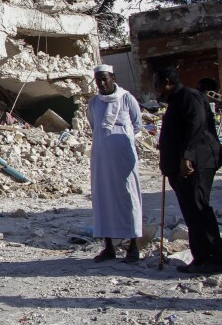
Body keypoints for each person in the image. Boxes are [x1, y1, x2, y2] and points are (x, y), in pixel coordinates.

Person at [155, 66, 222, 274]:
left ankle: (216, 258)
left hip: (198, 162)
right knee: (191, 212)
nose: (154, 87)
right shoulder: (176, 100)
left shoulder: (189, 97)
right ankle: (201, 257)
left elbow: (197, 126)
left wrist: (187, 156)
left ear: (167, 82)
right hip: (184, 165)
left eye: (156, 83)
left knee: (199, 209)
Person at [88, 64, 143, 262]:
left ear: (113, 78)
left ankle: (133, 246)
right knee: (104, 199)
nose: (101, 83)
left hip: (124, 157)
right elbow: (94, 126)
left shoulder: (127, 98)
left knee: (129, 197)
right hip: (101, 159)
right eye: (98, 80)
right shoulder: (93, 103)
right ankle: (108, 246)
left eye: (104, 79)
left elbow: (137, 125)